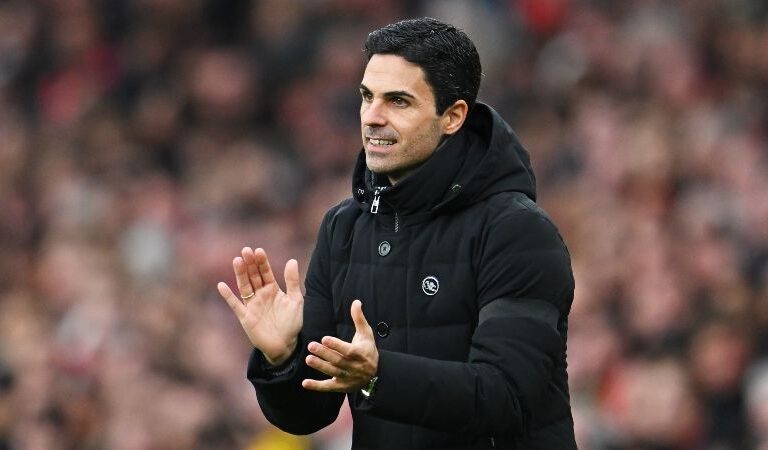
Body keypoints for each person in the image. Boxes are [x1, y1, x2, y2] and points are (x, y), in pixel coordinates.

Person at [217, 17, 576, 450]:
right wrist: (283, 360)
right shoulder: (343, 228)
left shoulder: (516, 230)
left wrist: (377, 375)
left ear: (453, 117)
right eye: (367, 97)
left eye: (398, 101)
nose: (372, 117)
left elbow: (507, 397)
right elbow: (309, 412)